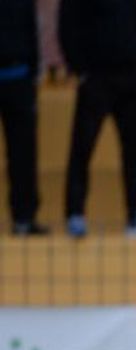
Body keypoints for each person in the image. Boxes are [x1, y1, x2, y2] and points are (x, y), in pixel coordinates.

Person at [58, 0, 136, 238]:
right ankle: (75, 213)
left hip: (134, 77)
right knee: (82, 148)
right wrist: (80, 69)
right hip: (96, 77)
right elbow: (67, 24)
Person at [0, 0, 46, 236]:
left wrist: (34, 71)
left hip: (19, 78)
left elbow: (31, 31)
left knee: (23, 153)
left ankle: (24, 218)